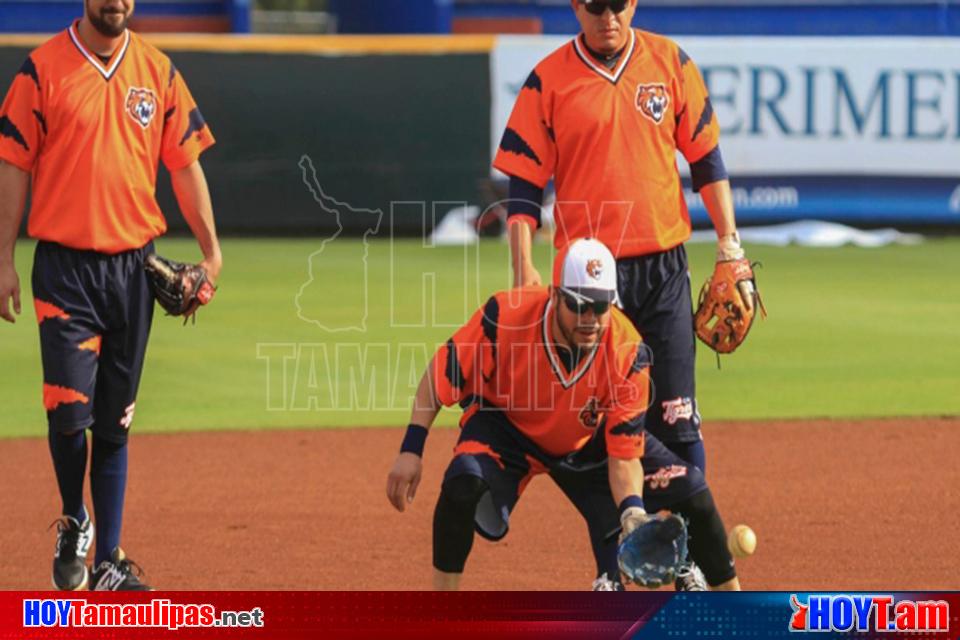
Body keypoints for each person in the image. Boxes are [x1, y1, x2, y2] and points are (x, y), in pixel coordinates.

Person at [494, 0, 755, 589]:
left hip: (663, 269)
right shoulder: (548, 80)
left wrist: (730, 245)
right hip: (589, 285)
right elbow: (523, 188)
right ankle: (613, 566)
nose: (607, 15)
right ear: (574, 6)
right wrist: (524, 269)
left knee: (677, 421)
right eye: (593, 4)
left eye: (618, 3)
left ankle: (686, 561)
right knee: (601, 427)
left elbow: (707, 161)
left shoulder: (670, 62)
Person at [0, 0, 220, 590]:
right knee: (69, 417)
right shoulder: (41, 70)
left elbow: (185, 164)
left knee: (113, 425)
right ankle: (76, 517)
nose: (117, 3)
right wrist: (3, 258)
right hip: (64, 270)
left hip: (133, 270)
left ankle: (107, 565)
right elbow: (13, 164)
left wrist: (211, 251)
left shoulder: (159, 71)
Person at [386, 239, 739, 591]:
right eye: (578, 304)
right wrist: (411, 448)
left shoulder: (627, 351)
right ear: (555, 296)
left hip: (587, 437)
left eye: (600, 306)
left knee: (694, 492)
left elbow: (624, 456)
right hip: (506, 427)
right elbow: (441, 373)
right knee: (462, 485)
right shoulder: (506, 316)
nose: (589, 318)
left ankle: (738, 614)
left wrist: (632, 510)